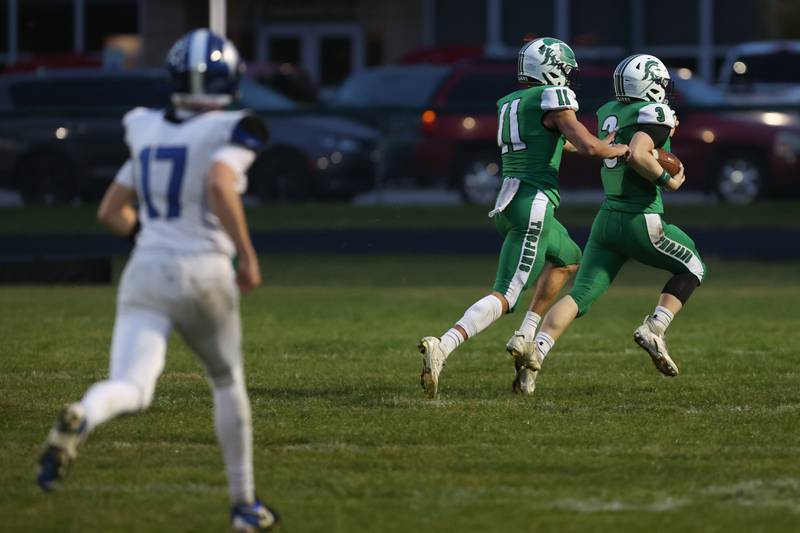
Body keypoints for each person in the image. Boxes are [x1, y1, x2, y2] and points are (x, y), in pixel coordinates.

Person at [36, 29, 279, 532]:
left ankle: (84, 411)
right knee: (226, 380)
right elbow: (218, 182)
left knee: (132, 385)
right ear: (229, 80)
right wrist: (248, 257)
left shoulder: (146, 127)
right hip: (205, 268)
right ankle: (244, 506)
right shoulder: (231, 127)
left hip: (145, 269)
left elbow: (111, 211)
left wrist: (155, 240)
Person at [417, 37, 630, 398]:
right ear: (552, 67)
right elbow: (590, 146)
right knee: (507, 293)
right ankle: (444, 344)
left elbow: (557, 141)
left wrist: (598, 142)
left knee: (568, 258)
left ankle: (525, 333)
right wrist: (619, 149)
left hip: (510, 200)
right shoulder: (555, 99)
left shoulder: (511, 102)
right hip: (533, 203)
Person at [523, 54, 706, 388]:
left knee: (580, 296)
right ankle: (655, 327)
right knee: (693, 266)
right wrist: (668, 179)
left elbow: (605, 147)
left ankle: (533, 357)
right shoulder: (655, 112)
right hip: (641, 217)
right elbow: (638, 153)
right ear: (649, 86)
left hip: (607, 218)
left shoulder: (610, 111)